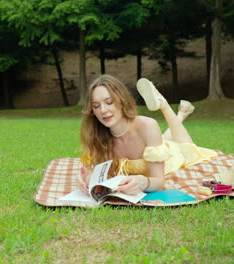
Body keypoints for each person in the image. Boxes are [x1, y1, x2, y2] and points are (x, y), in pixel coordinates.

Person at [77, 74, 218, 195]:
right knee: (164, 138)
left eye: (109, 102)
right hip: (154, 143)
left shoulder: (147, 125)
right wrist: (86, 177)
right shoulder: (96, 134)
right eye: (96, 106)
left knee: (186, 146)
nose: (103, 110)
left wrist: (143, 182)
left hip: (168, 157)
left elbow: (159, 181)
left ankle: (167, 106)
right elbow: (92, 169)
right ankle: (181, 114)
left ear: (121, 100)